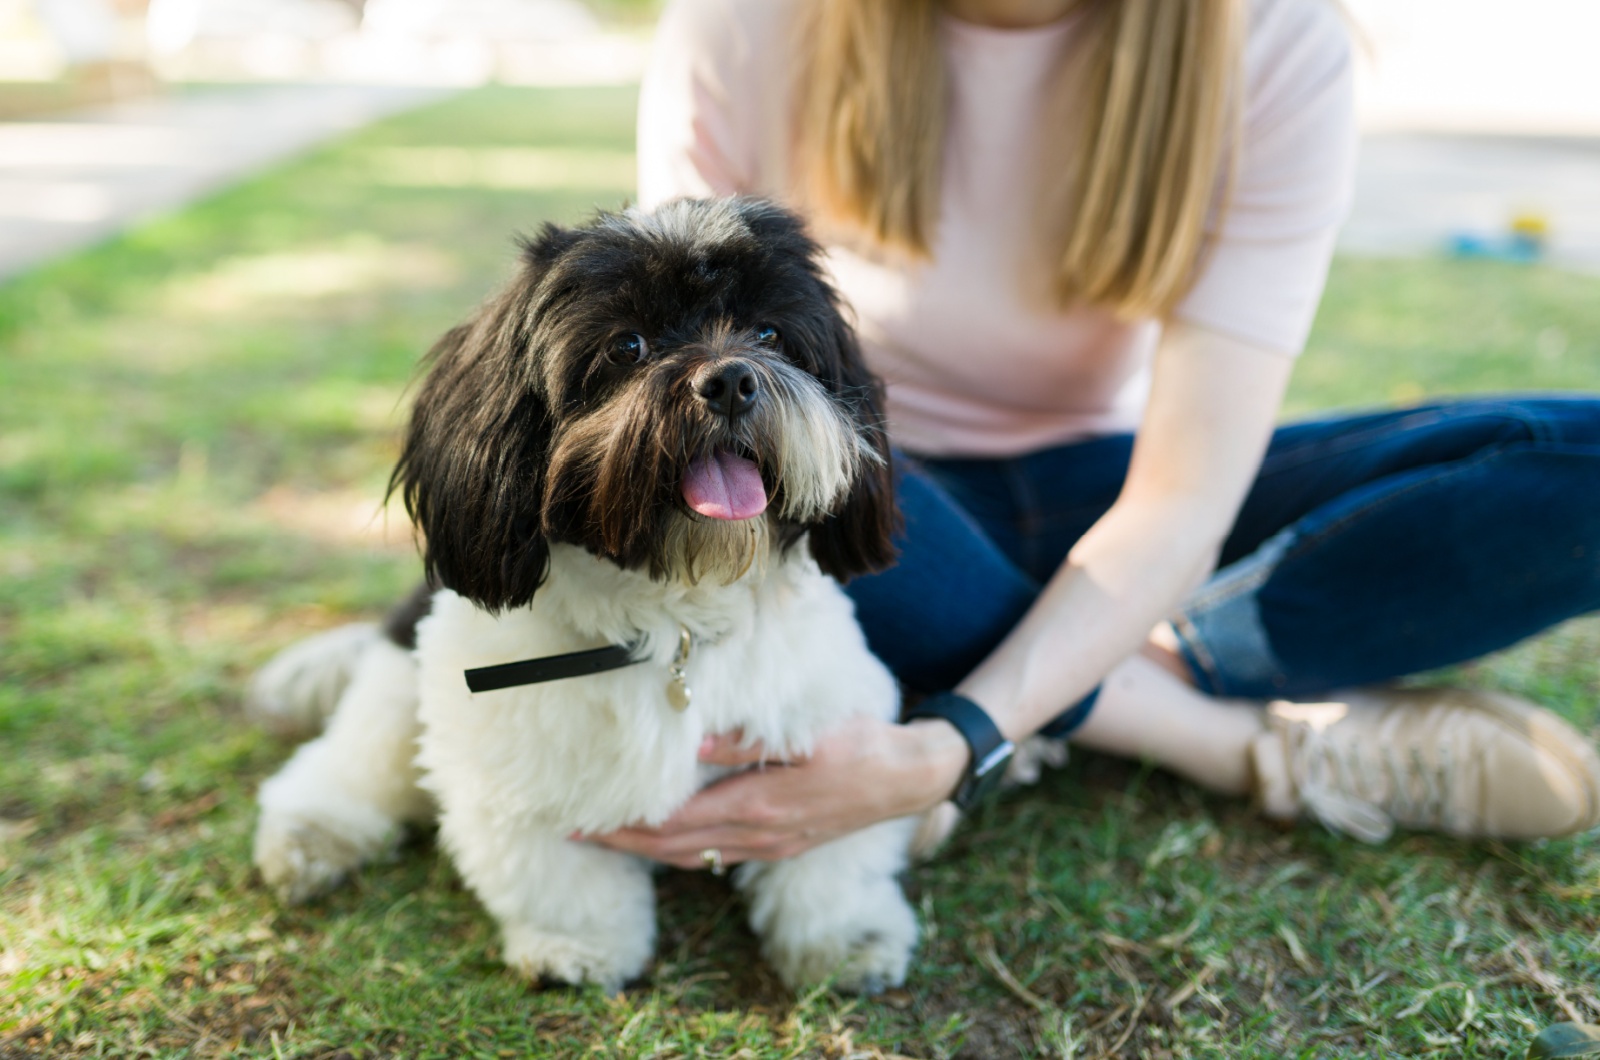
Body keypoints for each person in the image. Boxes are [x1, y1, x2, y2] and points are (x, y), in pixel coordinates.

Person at [586, 0, 1600, 870]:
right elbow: (685, 417)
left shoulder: (1272, 40)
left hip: (1108, 495)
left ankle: (1035, 668)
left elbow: (1179, 501)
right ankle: (1243, 745)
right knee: (834, 482)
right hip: (858, 507)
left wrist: (955, 741)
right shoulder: (747, 21)